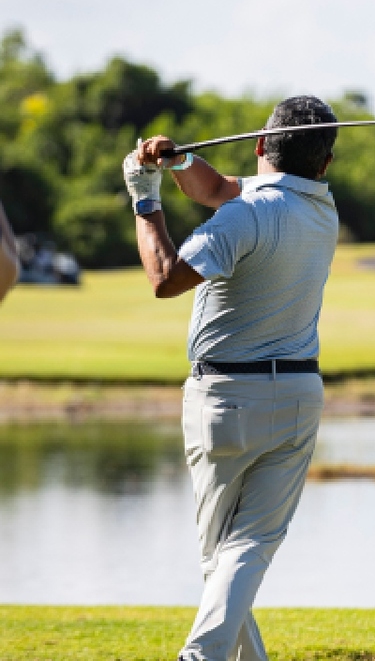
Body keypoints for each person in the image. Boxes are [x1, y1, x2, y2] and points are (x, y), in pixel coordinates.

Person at [124, 96, 340, 661]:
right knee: (246, 549)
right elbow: (216, 187)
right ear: (327, 163)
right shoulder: (322, 206)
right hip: (297, 398)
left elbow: (166, 278)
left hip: (225, 400)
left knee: (224, 553)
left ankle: (200, 656)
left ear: (261, 145)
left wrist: (146, 198)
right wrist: (176, 165)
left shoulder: (246, 215)